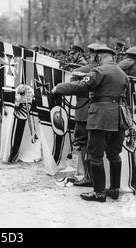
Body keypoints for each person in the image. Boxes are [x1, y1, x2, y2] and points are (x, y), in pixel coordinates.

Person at [51, 44, 128, 202]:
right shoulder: (122, 73)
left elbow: (81, 87)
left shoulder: (99, 71)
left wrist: (58, 88)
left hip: (100, 117)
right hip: (119, 118)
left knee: (95, 155)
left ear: (99, 56)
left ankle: (99, 193)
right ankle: (114, 190)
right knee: (114, 155)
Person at [70, 43, 101, 187]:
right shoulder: (108, 71)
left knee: (83, 143)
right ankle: (97, 177)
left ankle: (88, 176)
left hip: (83, 112)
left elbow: (73, 88)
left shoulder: (80, 70)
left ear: (90, 54)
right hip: (101, 113)